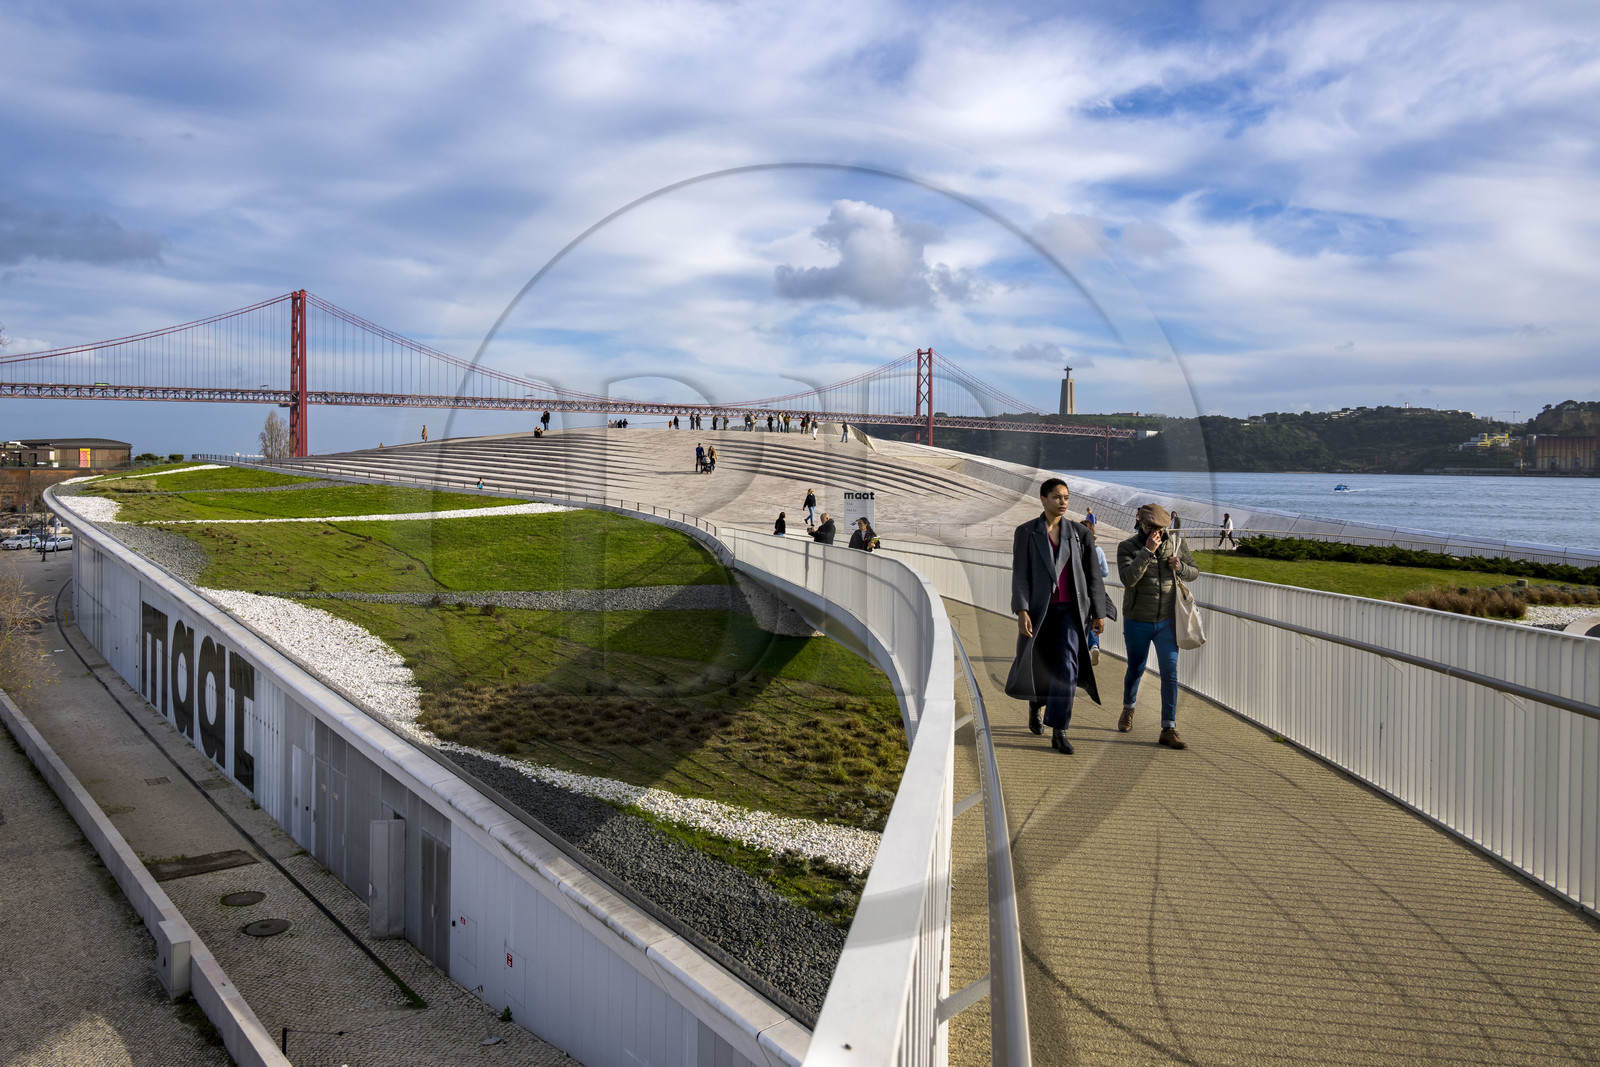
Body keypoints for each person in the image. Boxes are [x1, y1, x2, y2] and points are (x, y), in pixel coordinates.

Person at [1007, 478, 1108, 754]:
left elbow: (1093, 577)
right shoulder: (1026, 532)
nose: (1063, 502)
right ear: (1043, 499)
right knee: (1039, 666)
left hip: (1070, 612)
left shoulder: (1079, 534)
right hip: (1039, 612)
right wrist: (1022, 610)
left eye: (1066, 497)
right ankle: (1035, 705)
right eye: (1056, 497)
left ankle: (1059, 730)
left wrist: (1099, 612)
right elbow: (1020, 575)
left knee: (1066, 667)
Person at [1116, 503, 1198, 750]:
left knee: (1170, 673)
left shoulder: (1175, 544)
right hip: (1137, 619)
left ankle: (1168, 727)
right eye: (1151, 527)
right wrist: (1148, 552)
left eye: (1161, 528)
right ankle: (1129, 708)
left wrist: (1181, 567)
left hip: (1167, 621)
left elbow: (1194, 571)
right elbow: (1128, 579)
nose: (1157, 532)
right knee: (1136, 667)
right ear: (1140, 522)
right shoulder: (1127, 547)